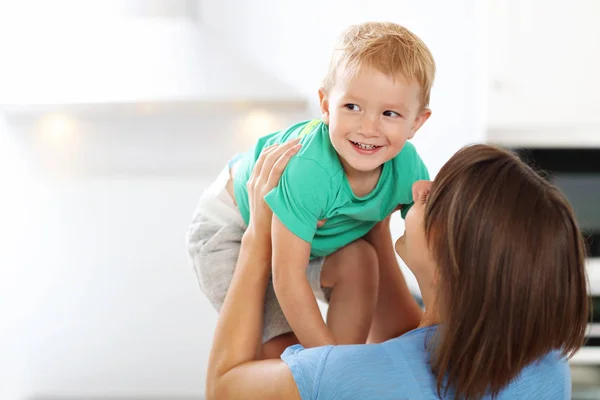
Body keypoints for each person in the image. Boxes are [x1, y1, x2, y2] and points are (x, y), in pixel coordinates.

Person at [205, 141, 589, 400]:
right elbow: (412, 343)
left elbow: (224, 386)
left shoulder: (345, 376)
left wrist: (259, 237)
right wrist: (372, 215)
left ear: (450, 265)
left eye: (435, 197)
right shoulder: (545, 367)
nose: (420, 186)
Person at [187, 21, 435, 357]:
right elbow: (287, 277)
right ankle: (331, 369)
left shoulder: (407, 169)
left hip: (306, 240)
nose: (368, 127)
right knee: (280, 352)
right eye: (352, 107)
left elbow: (435, 248)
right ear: (325, 105)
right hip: (233, 227)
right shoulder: (311, 170)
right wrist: (322, 365)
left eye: (390, 113)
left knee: (361, 260)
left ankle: (344, 364)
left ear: (416, 123)